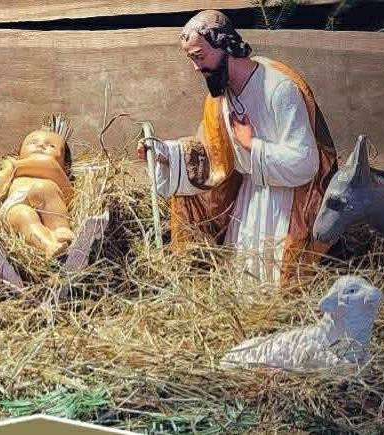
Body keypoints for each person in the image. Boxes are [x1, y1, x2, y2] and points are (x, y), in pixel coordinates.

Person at [139, 10, 337, 284]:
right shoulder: (220, 97)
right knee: (240, 280)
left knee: (269, 282)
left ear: (225, 45)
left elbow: (306, 162)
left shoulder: (280, 89)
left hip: (284, 206)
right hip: (249, 200)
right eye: (192, 59)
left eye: (199, 56)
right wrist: (167, 156)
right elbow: (212, 152)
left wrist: (252, 145)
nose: (196, 67)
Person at [0, 113, 74, 258]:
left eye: (51, 146)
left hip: (48, 199)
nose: (41, 145)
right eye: (33, 142)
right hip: (14, 204)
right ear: (19, 154)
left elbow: (48, 164)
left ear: (65, 166)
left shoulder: (55, 173)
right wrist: (3, 176)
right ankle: (48, 245)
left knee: (43, 189)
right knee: (24, 216)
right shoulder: (13, 176)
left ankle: (60, 229)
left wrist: (12, 167)